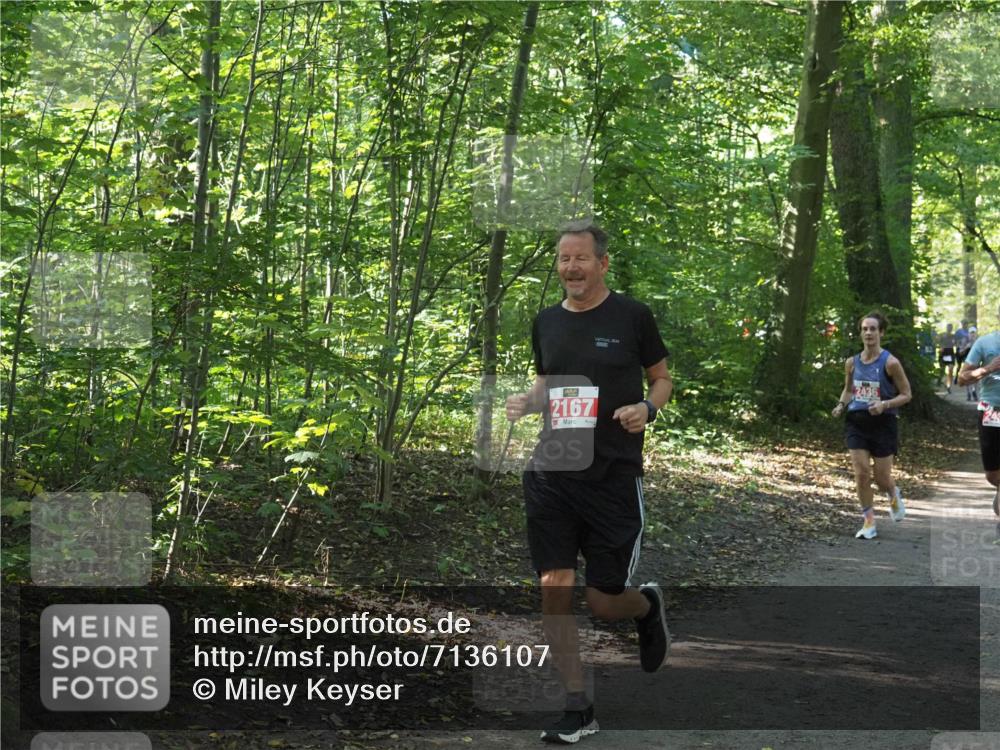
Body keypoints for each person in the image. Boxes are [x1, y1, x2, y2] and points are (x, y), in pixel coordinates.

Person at [506, 221, 672, 744]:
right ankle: (577, 706)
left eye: (580, 258)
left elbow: (662, 378)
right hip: (552, 473)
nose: (571, 268)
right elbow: (546, 382)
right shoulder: (546, 321)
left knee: (603, 600)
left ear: (602, 263)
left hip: (612, 475)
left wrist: (646, 407)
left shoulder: (632, 316)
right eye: (562, 259)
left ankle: (645, 606)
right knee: (553, 589)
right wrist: (526, 402)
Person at [832, 312, 913, 540]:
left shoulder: (890, 363)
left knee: (882, 477)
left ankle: (892, 493)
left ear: (881, 333)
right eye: (865, 329)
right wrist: (841, 405)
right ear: (860, 333)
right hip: (857, 422)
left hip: (883, 423)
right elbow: (849, 390)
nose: (868, 333)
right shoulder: (851, 363)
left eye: (873, 329)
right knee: (861, 473)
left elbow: (906, 394)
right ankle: (869, 521)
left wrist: (885, 404)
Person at [957, 313, 1000, 516]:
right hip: (991, 410)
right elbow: (962, 379)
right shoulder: (985, 342)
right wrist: (989, 368)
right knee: (993, 475)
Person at [960, 326, 978, 401]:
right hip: (966, 361)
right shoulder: (964, 340)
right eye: (971, 333)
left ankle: (974, 391)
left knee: (976, 376)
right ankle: (968, 393)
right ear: (968, 333)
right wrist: (966, 347)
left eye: (974, 333)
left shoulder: (978, 341)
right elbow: (960, 352)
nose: (972, 334)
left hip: (976, 361)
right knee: (967, 376)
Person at [939, 323, 957, 394]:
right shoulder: (942, 335)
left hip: (950, 354)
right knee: (942, 370)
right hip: (943, 354)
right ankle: (939, 381)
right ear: (946, 328)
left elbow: (956, 344)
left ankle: (948, 386)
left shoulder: (953, 336)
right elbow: (938, 342)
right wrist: (941, 348)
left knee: (951, 370)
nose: (949, 329)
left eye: (950, 327)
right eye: (948, 327)